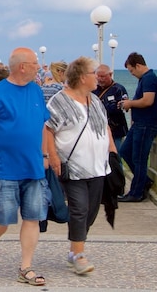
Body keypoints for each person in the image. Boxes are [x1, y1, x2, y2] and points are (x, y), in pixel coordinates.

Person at [0, 47, 51, 286]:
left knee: (33, 217)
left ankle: (25, 266)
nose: (38, 66)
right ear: (22, 66)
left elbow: (43, 126)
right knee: (3, 219)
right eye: (35, 63)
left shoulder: (37, 91)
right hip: (3, 168)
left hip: (34, 168)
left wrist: (46, 154)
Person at [43, 56, 115, 275]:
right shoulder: (59, 101)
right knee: (79, 209)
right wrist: (52, 157)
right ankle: (78, 255)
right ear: (83, 77)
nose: (98, 77)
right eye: (94, 73)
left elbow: (105, 127)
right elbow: (47, 129)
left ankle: (76, 247)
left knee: (91, 212)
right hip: (73, 167)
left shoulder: (95, 100)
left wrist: (113, 151)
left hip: (98, 167)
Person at [118, 52, 157, 202]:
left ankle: (136, 193)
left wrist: (130, 103)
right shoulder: (145, 79)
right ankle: (144, 181)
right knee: (125, 151)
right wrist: (129, 104)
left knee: (139, 158)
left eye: (131, 70)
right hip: (139, 124)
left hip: (146, 124)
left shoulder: (149, 79)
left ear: (138, 65)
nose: (131, 74)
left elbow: (148, 101)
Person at [93, 64, 129, 151]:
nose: (101, 79)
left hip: (116, 129)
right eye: (99, 76)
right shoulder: (94, 89)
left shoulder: (118, 89)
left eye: (103, 76)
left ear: (110, 74)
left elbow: (122, 107)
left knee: (115, 157)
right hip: (99, 130)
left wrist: (103, 107)